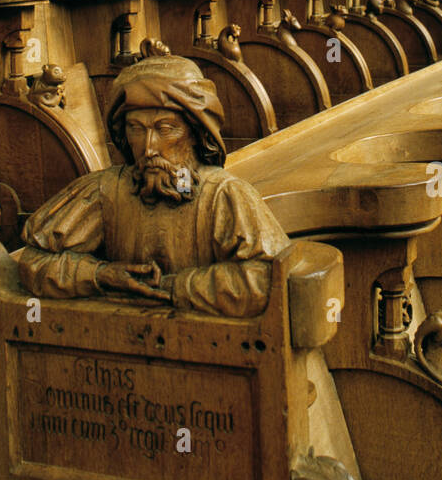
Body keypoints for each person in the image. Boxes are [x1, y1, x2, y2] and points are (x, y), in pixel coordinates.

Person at [17, 54, 288, 317]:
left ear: (196, 134)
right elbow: (35, 261)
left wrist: (173, 287)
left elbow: (265, 278)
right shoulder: (105, 191)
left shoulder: (224, 195)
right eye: (135, 129)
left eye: (165, 129)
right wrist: (101, 275)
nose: (148, 149)